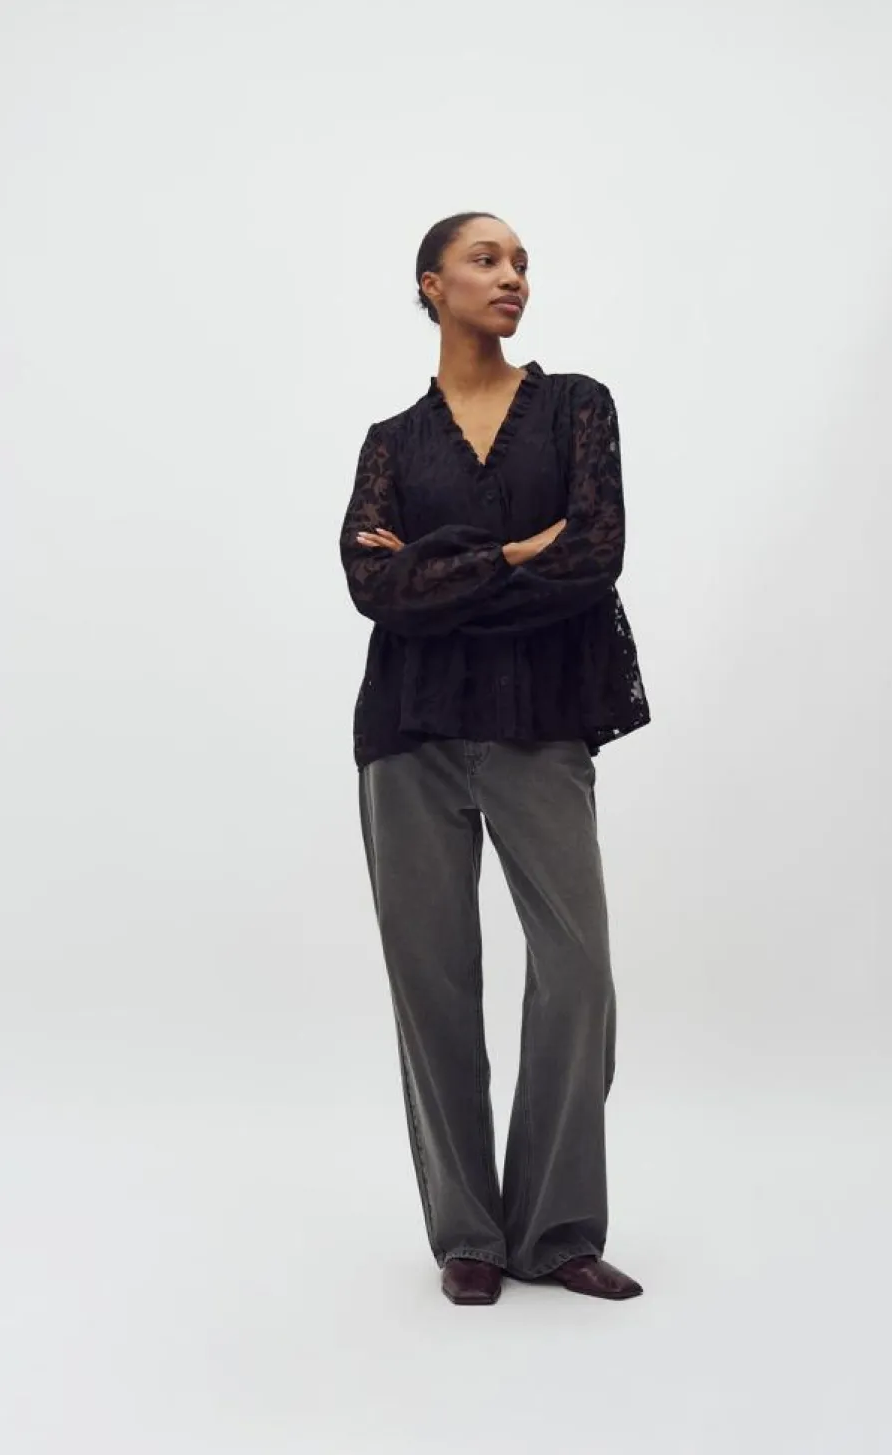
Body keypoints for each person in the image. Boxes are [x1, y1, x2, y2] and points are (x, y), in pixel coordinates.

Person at [339, 212, 651, 1305]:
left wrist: (438, 570)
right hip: (409, 733)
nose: (511, 275)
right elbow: (372, 587)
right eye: (486, 259)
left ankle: (555, 1232)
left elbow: (595, 556)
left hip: (541, 721)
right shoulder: (390, 442)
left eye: (520, 262)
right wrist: (516, 550)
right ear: (432, 284)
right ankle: (467, 1235)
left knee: (577, 974)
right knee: (431, 983)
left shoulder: (577, 407)